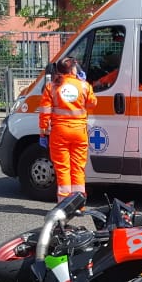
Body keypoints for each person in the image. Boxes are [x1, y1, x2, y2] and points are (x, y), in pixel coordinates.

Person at [39, 57, 98, 201]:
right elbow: (92, 104)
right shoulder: (83, 86)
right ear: (73, 69)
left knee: (63, 169)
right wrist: (83, 83)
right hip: (79, 132)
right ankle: (79, 204)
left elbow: (45, 112)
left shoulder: (51, 86)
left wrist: (43, 132)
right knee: (78, 168)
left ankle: (64, 204)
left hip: (59, 133)